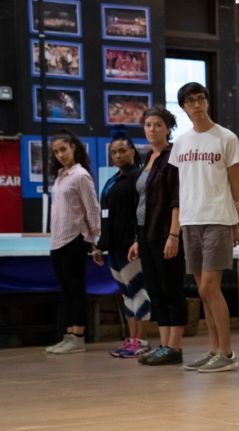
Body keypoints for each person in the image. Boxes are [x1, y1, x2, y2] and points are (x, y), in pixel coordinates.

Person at [171, 83, 239, 373]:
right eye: (190, 101)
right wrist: (175, 227)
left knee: (210, 287)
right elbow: (181, 187)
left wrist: (235, 220)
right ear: (184, 107)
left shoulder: (225, 138)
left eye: (201, 99)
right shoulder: (181, 143)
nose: (197, 104)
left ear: (207, 102)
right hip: (190, 219)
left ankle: (226, 353)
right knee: (202, 290)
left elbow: (236, 185)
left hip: (218, 218)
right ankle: (214, 349)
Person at [128, 105, 188, 366]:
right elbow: (143, 202)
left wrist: (174, 235)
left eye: (157, 125)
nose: (152, 129)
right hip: (146, 233)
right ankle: (163, 344)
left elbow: (177, 199)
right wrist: (136, 240)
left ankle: (175, 346)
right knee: (155, 289)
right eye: (148, 125)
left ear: (168, 128)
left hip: (166, 232)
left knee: (171, 287)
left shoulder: (172, 156)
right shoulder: (147, 158)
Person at [93, 127, 152, 359]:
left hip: (131, 247)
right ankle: (131, 340)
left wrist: (138, 241)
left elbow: (142, 214)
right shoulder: (112, 180)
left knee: (139, 292)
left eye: (122, 151)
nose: (117, 155)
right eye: (114, 152)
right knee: (127, 294)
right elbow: (106, 216)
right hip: (114, 246)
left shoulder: (137, 177)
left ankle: (142, 341)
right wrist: (100, 244)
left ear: (131, 151)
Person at [45, 130, 100, 354]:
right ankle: (69, 334)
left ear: (73, 148)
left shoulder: (81, 175)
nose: (60, 154)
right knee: (66, 289)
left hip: (75, 239)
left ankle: (78, 336)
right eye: (56, 151)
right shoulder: (60, 176)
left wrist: (95, 240)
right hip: (57, 240)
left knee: (76, 288)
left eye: (63, 149)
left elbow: (92, 208)